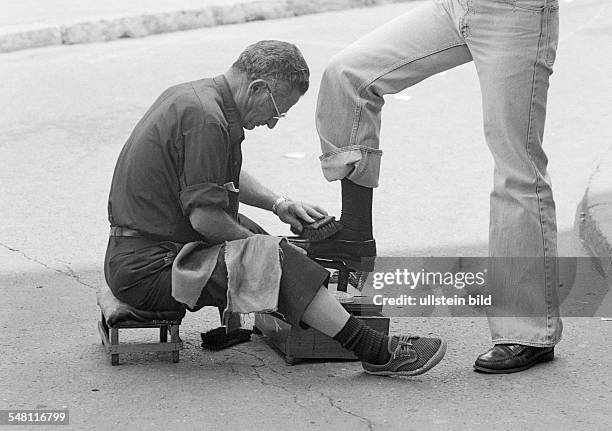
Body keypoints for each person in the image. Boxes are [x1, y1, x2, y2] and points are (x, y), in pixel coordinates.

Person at [104, 40, 447, 376]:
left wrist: (278, 204)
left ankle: (307, 304)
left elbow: (213, 173)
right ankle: (376, 351)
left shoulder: (195, 98)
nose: (272, 123)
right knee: (271, 257)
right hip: (149, 271)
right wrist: (267, 253)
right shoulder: (207, 119)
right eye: (277, 110)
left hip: (139, 254)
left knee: (256, 238)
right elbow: (206, 219)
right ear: (257, 87)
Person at [305, 0, 562, 373]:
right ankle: (356, 235)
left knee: (517, 168)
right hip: (456, 6)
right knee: (348, 73)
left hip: (517, 13)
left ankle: (529, 332)